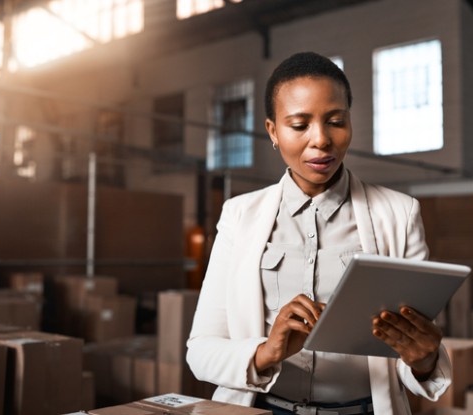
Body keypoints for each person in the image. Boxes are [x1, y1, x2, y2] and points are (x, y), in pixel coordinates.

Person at [186, 51, 451, 415]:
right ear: (273, 131)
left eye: (336, 121)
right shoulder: (239, 215)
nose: (321, 140)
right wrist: (267, 352)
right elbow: (201, 351)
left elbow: (412, 356)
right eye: (299, 125)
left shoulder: (399, 213)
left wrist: (423, 358)